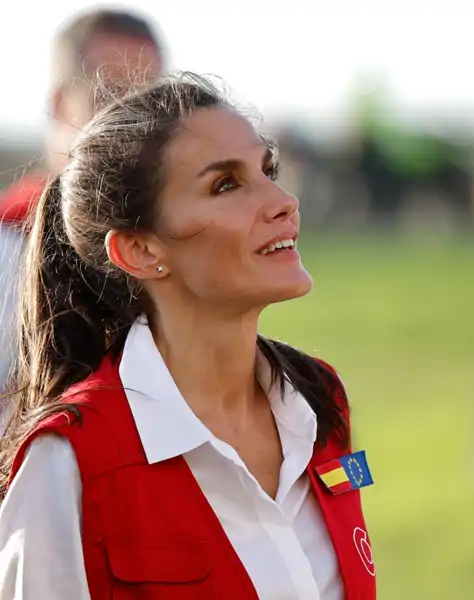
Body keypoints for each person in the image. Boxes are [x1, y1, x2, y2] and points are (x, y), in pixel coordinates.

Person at [0, 73, 376, 599]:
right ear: (140, 251)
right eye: (226, 184)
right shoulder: (69, 461)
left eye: (268, 170)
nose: (284, 201)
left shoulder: (319, 401)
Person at [0, 8, 164, 393]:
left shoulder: (178, 239)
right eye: (108, 96)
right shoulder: (8, 246)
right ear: (60, 104)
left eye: (149, 102)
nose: (130, 122)